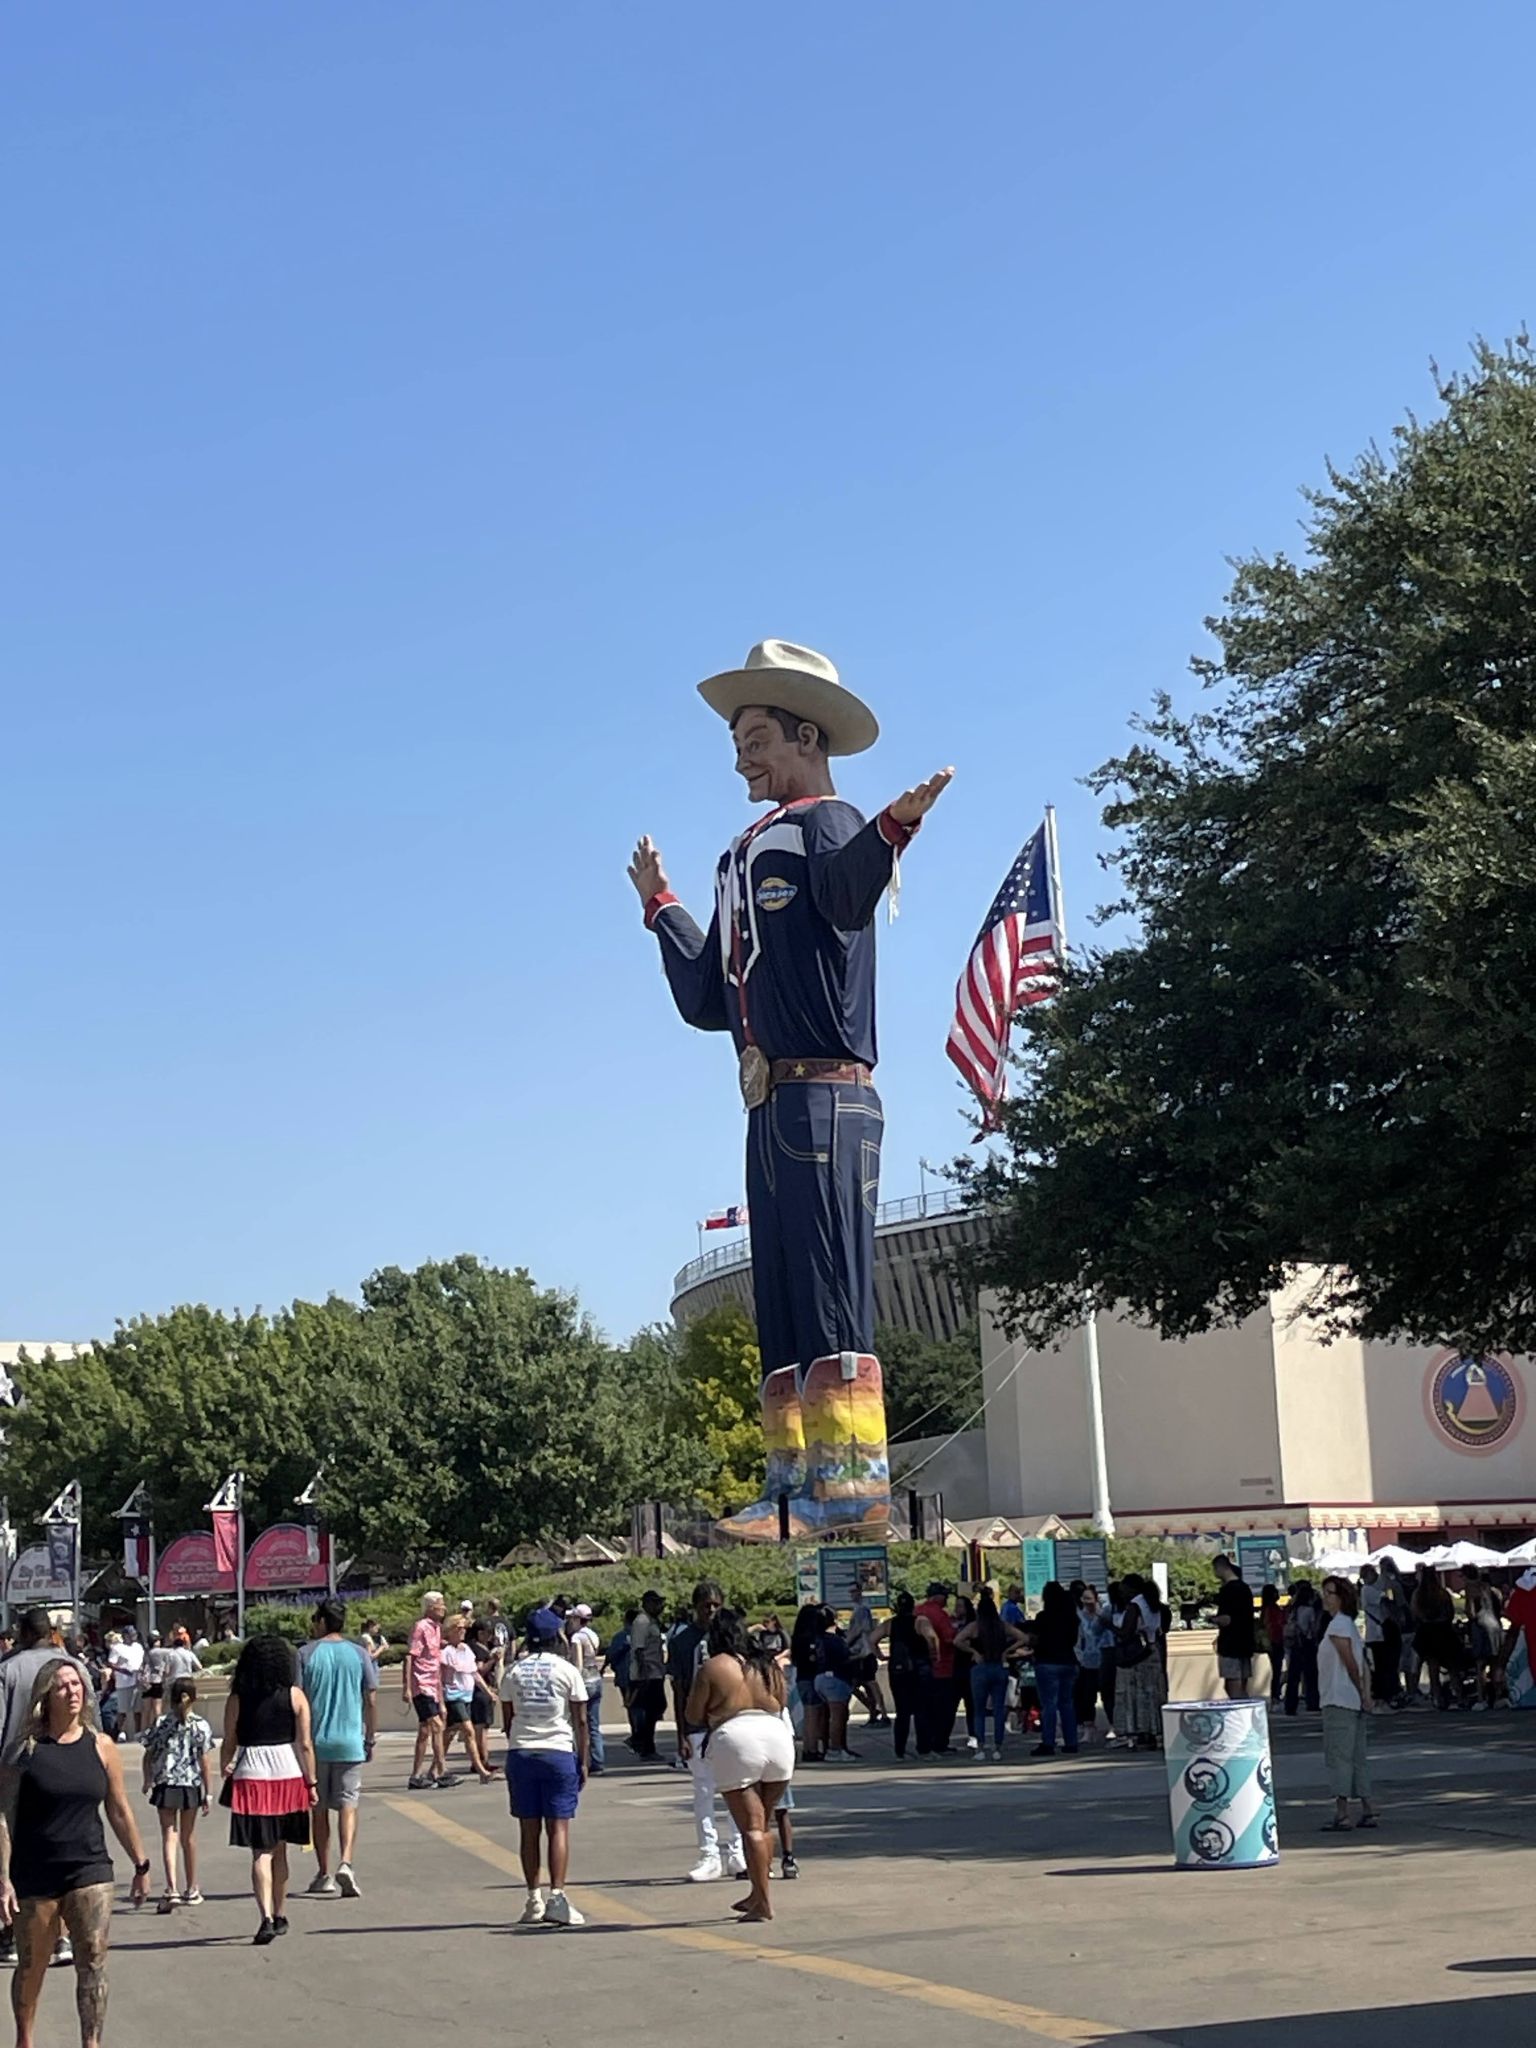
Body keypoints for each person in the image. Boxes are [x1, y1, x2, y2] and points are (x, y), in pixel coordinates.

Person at [631, 640, 951, 1537]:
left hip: (828, 1096)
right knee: (777, 1290)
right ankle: (789, 1483)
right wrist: (665, 908)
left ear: (808, 736)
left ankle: (849, 1487)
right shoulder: (742, 854)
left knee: (829, 1283)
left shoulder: (829, 825)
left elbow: (848, 897)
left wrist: (892, 828)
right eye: (737, 739)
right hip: (766, 1098)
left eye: (759, 734)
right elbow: (707, 998)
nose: (743, 754)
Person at [0, 1658, 151, 2048]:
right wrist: (4, 1880)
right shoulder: (24, 1751)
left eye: (77, 1684)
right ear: (46, 1697)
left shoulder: (100, 1746)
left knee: (94, 1959)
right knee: (32, 1966)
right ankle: (24, 2040)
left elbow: (118, 1808)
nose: (73, 1691)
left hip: (89, 1868)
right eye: (62, 1686)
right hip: (35, 1873)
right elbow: (4, 1817)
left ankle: (91, 2043)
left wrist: (140, 1863)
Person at [0, 1608, 95, 1970]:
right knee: (69, 1849)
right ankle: (64, 1937)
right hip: (71, 1769)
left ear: (23, 1633)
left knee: (15, 1851)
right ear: (50, 1632)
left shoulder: (7, 1670)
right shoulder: (74, 1667)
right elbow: (91, 1716)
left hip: (16, 1768)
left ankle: (11, 1932)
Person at [685, 1609, 796, 1922]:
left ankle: (763, 1902)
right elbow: (783, 1701)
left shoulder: (714, 1666)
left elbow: (693, 1714)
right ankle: (756, 1893)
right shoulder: (768, 1666)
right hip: (777, 1738)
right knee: (763, 1824)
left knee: (750, 1826)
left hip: (737, 1739)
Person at [221, 1634, 318, 1944]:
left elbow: (229, 1740)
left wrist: (225, 1767)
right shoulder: (295, 1695)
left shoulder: (237, 1697)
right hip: (287, 1773)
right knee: (281, 1850)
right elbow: (304, 1744)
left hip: (251, 1773)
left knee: (259, 1852)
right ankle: (280, 1913)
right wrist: (311, 1781)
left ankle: (263, 1916)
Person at [505, 1608, 589, 1928]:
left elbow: (509, 1717)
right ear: (557, 1637)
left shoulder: (513, 1672)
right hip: (557, 1751)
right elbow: (580, 1718)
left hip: (522, 1751)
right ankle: (557, 1895)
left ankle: (532, 1897)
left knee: (528, 1829)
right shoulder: (567, 1670)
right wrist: (584, 1760)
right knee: (558, 1827)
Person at [298, 1599, 378, 1899]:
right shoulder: (359, 1654)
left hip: (315, 1744)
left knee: (318, 1810)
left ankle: (324, 1871)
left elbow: (299, 1699)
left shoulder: (306, 1654)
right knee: (348, 1804)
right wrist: (369, 1737)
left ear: (321, 1621)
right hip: (349, 1741)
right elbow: (370, 1698)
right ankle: (346, 1861)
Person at [670, 1582, 747, 1881]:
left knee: (736, 1788)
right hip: (698, 1725)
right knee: (704, 1789)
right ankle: (709, 1853)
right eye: (705, 1605)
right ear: (696, 1607)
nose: (711, 1611)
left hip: (729, 1723)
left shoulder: (730, 1638)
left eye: (716, 1605)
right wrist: (682, 1734)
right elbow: (679, 1689)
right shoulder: (682, 1642)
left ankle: (737, 1852)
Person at [140, 1675, 214, 1912]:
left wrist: (147, 1778)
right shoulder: (200, 1725)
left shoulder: (161, 1722)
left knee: (169, 1836)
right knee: (188, 1838)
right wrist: (208, 1792)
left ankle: (171, 1887)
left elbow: (148, 1753)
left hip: (165, 1782)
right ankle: (192, 1888)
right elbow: (205, 1761)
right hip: (190, 1784)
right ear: (193, 1697)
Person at [1318, 1576, 1376, 1832]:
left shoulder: (1337, 1627)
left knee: (1339, 1756)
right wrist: (1364, 1693)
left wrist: (1361, 1691)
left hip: (1338, 1698)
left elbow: (1351, 1664)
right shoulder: (1348, 1625)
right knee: (1356, 1756)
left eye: (1330, 1593)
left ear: (1341, 1597)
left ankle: (1342, 1813)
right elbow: (1361, 1662)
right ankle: (1367, 1808)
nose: (1325, 1597)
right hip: (1350, 1699)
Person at [955, 1588, 1026, 1759]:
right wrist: (1007, 1650)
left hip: (980, 1668)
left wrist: (973, 1651)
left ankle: (980, 1747)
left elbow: (957, 1641)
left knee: (978, 1710)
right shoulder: (1002, 1626)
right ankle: (997, 1747)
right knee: (999, 1708)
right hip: (999, 1667)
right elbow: (1023, 1637)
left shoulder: (975, 1627)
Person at [873, 1592, 939, 1760]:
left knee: (902, 1712)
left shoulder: (890, 1624)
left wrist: (880, 1655)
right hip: (919, 1668)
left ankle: (899, 1750)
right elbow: (931, 1637)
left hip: (897, 1670)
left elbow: (872, 1638)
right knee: (922, 1709)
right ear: (913, 1606)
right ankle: (924, 1749)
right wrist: (934, 1654)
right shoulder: (920, 1621)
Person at [439, 1614, 497, 1783]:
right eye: (459, 1628)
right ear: (450, 1631)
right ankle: (481, 1770)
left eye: (464, 1628)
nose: (463, 1631)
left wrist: (488, 1692)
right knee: (469, 1730)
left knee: (449, 1733)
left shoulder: (466, 1650)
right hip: (453, 1695)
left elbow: (474, 1674)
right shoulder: (446, 1652)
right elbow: (441, 1675)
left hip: (467, 1696)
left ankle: (437, 1766)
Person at [1116, 1574, 1167, 1751]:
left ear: (1131, 1588)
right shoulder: (1153, 1604)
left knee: (1138, 1694)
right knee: (1153, 1693)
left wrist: (1108, 1625)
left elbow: (1126, 1632)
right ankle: (1156, 1732)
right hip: (1153, 1651)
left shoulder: (1135, 1605)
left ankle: (1142, 1733)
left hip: (1138, 1655)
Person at [1030, 1582, 1081, 1757]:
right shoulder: (1071, 1617)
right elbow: (1073, 1641)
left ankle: (1048, 1742)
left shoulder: (1043, 1617)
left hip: (1047, 1662)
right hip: (1068, 1661)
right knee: (1067, 1703)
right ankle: (1071, 1741)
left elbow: (1035, 1639)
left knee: (1049, 1704)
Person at [404, 1591, 449, 1789]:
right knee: (437, 1726)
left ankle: (416, 1775)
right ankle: (441, 1771)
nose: (444, 1607)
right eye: (440, 1604)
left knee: (425, 1731)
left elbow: (435, 1663)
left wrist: (440, 1697)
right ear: (430, 1607)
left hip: (432, 1684)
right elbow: (410, 1657)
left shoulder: (437, 1629)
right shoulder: (420, 1627)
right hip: (420, 1684)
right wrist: (406, 1687)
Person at [915, 1584, 960, 1752]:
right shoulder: (940, 1615)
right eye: (945, 1596)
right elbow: (949, 1639)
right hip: (944, 1668)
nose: (947, 1600)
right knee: (945, 1710)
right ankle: (940, 1743)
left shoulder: (917, 1610)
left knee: (925, 1709)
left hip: (921, 1668)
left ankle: (925, 1742)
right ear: (937, 1597)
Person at [1411, 1565, 1460, 1710]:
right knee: (1452, 1666)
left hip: (1427, 1630)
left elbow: (1415, 1613)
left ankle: (1437, 1697)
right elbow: (1450, 1612)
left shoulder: (1418, 1594)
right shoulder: (1443, 1593)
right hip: (1444, 1630)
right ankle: (1458, 1695)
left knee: (1433, 1667)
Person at [626, 1590, 668, 1760]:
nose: (660, 1606)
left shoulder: (653, 1621)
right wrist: (643, 1672)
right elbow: (639, 1649)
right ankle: (644, 1745)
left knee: (657, 1708)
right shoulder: (642, 1622)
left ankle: (640, 1740)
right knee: (651, 1710)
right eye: (656, 1602)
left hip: (656, 1670)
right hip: (647, 1673)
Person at [1073, 1586, 1116, 1743]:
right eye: (1084, 1599)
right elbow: (1078, 1639)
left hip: (1105, 1657)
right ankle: (1089, 1728)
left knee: (1108, 1695)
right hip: (1088, 1660)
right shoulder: (1080, 1617)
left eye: (1090, 1598)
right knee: (1087, 1696)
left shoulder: (1104, 1613)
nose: (1087, 1602)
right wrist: (1079, 1656)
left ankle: (1113, 1725)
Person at [566, 1607, 605, 1775]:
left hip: (585, 1682)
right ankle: (598, 1759)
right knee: (594, 1724)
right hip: (596, 1679)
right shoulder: (592, 1635)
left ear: (577, 1619)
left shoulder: (577, 1638)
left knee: (578, 1723)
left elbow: (578, 1664)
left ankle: (581, 1759)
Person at [1212, 1554, 1256, 1701]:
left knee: (1232, 1684)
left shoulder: (1227, 1591)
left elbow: (1227, 1619)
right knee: (1243, 1684)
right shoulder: (1245, 1589)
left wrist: (1212, 1619)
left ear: (1220, 1567)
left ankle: (1240, 1716)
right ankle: (1247, 1713)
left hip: (1230, 1644)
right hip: (1246, 1643)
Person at [1460, 1565, 1504, 1709]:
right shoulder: (1488, 1587)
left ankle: (1481, 1698)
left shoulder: (1470, 1588)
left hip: (1481, 1627)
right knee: (1496, 1662)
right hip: (1495, 1625)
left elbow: (1471, 1612)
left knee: (1480, 1665)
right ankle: (1498, 1696)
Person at [788, 1605, 828, 1763]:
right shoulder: (812, 1638)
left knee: (808, 1714)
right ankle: (811, 1749)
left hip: (801, 1678)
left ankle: (807, 1748)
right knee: (813, 1716)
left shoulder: (796, 1638)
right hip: (811, 1678)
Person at [845, 1592, 885, 1726]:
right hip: (858, 1653)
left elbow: (860, 1630)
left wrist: (846, 1643)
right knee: (858, 1685)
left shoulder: (862, 1610)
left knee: (869, 1684)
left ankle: (879, 1712)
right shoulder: (858, 1609)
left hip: (863, 1653)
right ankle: (873, 1710)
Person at [1283, 1580, 1322, 1715]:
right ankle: (1313, 1702)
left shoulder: (1293, 1609)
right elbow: (1313, 1628)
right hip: (1307, 1644)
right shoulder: (1310, 1610)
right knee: (1311, 1675)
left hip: (1295, 1645)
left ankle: (1290, 1705)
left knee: (1293, 1677)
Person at [468, 1620, 503, 1768]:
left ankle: (478, 1760)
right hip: (481, 1691)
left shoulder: (482, 1647)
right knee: (481, 1728)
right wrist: (493, 1660)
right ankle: (483, 1760)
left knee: (480, 1727)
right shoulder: (478, 1650)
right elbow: (479, 1670)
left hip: (482, 1690)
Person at [106, 1628, 145, 1741]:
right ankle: (121, 1732)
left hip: (137, 1681)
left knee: (137, 1710)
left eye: (134, 1634)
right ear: (125, 1636)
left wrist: (141, 1670)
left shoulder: (138, 1647)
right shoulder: (117, 1648)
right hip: (123, 1682)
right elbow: (111, 1663)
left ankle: (138, 1733)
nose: (133, 1637)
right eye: (131, 1635)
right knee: (123, 1710)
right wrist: (124, 1670)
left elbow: (141, 1661)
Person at [951, 1594, 979, 1750]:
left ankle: (973, 1734)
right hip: (955, 1667)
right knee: (951, 1703)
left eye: (960, 1605)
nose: (957, 1608)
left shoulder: (972, 1625)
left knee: (971, 1703)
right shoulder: (953, 1623)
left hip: (969, 1666)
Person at [604, 1607, 637, 1713]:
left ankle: (635, 1727)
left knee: (631, 1709)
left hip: (624, 1677)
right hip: (643, 1678)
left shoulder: (620, 1637)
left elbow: (610, 1655)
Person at [1259, 1585, 1286, 1705]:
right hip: (1276, 1641)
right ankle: (1275, 1694)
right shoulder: (1271, 1609)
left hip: (1274, 1641)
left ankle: (1275, 1693)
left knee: (1277, 1669)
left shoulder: (1266, 1608)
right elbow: (1275, 1624)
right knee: (1277, 1669)